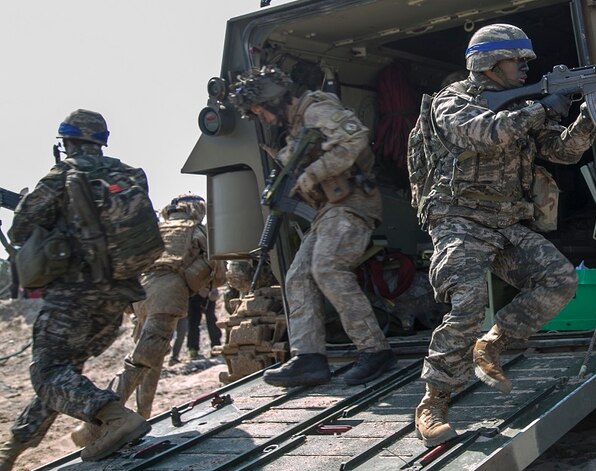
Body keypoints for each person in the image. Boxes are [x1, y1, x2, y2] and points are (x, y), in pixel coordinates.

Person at [412, 23, 596, 447]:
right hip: (459, 218)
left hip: (506, 220)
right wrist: (543, 106)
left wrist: (589, 113)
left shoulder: (525, 104)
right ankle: (433, 402)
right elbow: (485, 134)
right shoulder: (451, 102)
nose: (526, 68)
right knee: (468, 303)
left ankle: (494, 343)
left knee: (560, 280)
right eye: (518, 60)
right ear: (490, 63)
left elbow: (563, 150)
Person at [0, 110, 152, 469]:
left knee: (48, 372)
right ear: (100, 141)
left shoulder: (61, 175)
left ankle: (116, 418)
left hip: (74, 297)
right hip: (117, 297)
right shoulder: (129, 175)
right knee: (61, 375)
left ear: (66, 142)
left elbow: (22, 229)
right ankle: (13, 450)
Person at [227, 65, 396, 387]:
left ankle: (376, 350)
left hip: (352, 205)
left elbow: (356, 137)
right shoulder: (296, 129)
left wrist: (312, 173)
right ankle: (309, 358)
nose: (262, 118)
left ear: (274, 101)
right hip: (327, 211)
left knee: (328, 267)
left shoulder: (317, 110)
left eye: (260, 111)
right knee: (298, 275)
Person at [71, 193, 225, 446]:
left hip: (139, 297)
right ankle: (96, 424)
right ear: (197, 210)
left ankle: (142, 416)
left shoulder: (156, 230)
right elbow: (219, 275)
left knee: (148, 361)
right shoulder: (198, 231)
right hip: (168, 297)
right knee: (140, 362)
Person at [186, 287, 223, 358]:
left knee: (211, 321)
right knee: (193, 322)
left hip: (209, 294)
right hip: (194, 294)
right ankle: (193, 349)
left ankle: (216, 347)